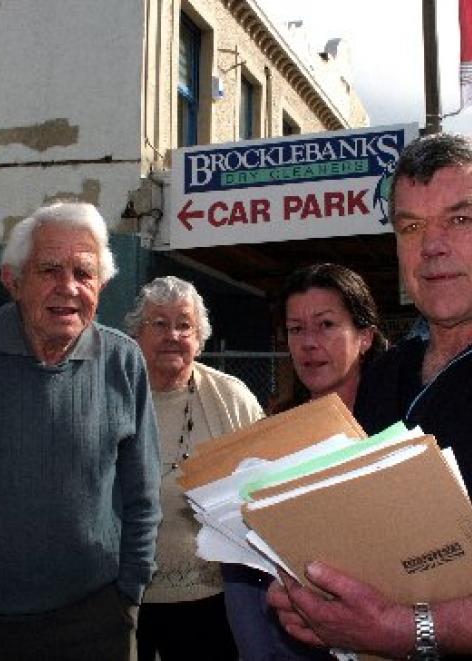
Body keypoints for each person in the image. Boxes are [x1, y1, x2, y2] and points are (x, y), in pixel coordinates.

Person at [267, 132, 472, 660]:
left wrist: (411, 628)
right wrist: (319, 596)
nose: (432, 247)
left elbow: (399, 622)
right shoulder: (384, 375)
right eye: (411, 227)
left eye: (460, 219)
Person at [0, 202, 161, 661]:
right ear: (12, 280)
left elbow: (143, 492)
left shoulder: (124, 360)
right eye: (50, 270)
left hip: (93, 616)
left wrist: (129, 591)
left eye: (84, 272)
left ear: (102, 284)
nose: (69, 288)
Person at [224, 262, 387, 661]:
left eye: (326, 325)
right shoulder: (270, 437)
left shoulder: (397, 431)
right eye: (296, 329)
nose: (308, 343)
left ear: (364, 336)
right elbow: (243, 575)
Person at [124, 275, 264, 661]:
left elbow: (266, 481)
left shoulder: (230, 397)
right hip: (124, 596)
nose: (173, 335)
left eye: (184, 325)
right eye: (159, 323)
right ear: (136, 335)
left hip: (212, 597)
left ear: (199, 338)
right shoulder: (114, 393)